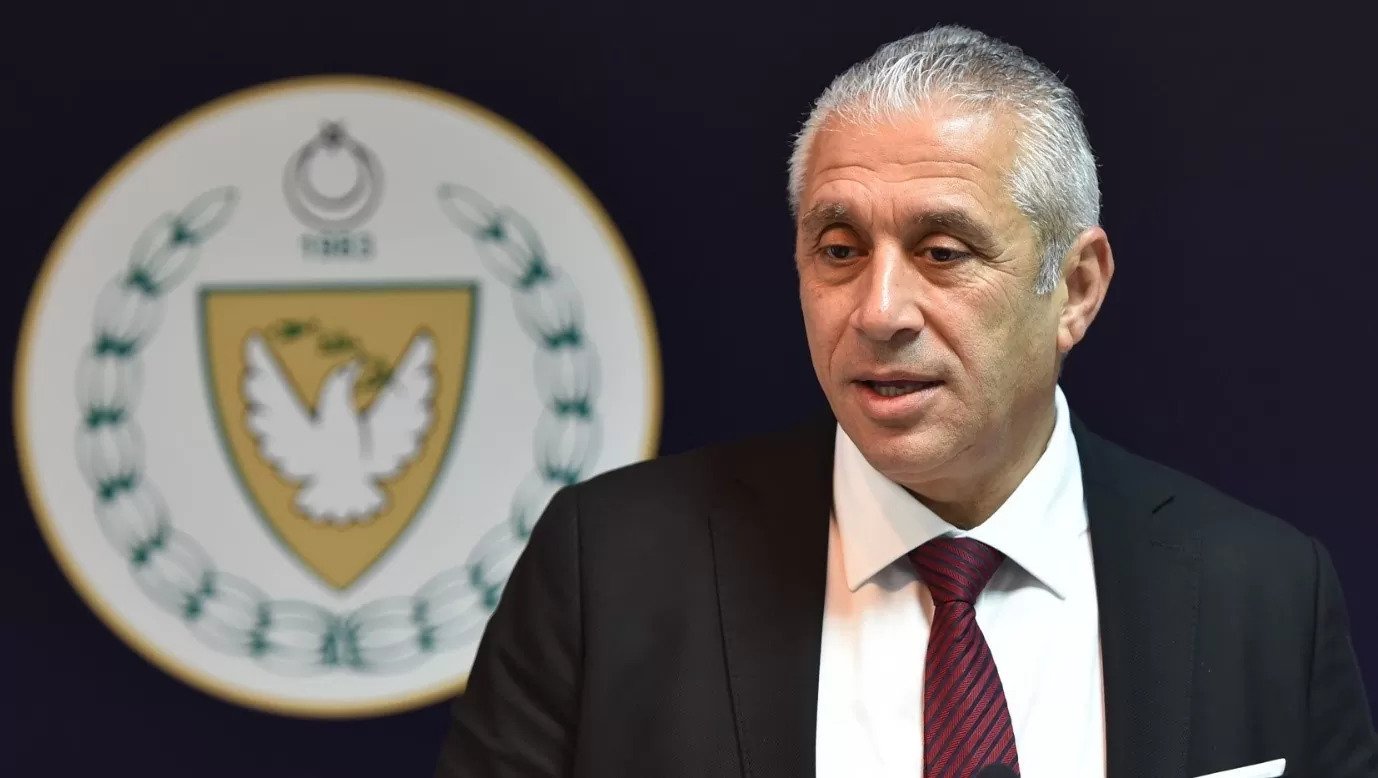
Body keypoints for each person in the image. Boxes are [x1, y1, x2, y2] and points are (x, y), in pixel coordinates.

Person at [433, 25, 1378, 778]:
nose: (879, 311)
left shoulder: (1264, 591)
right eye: (840, 251)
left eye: (943, 252)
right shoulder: (609, 569)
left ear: (1077, 289)